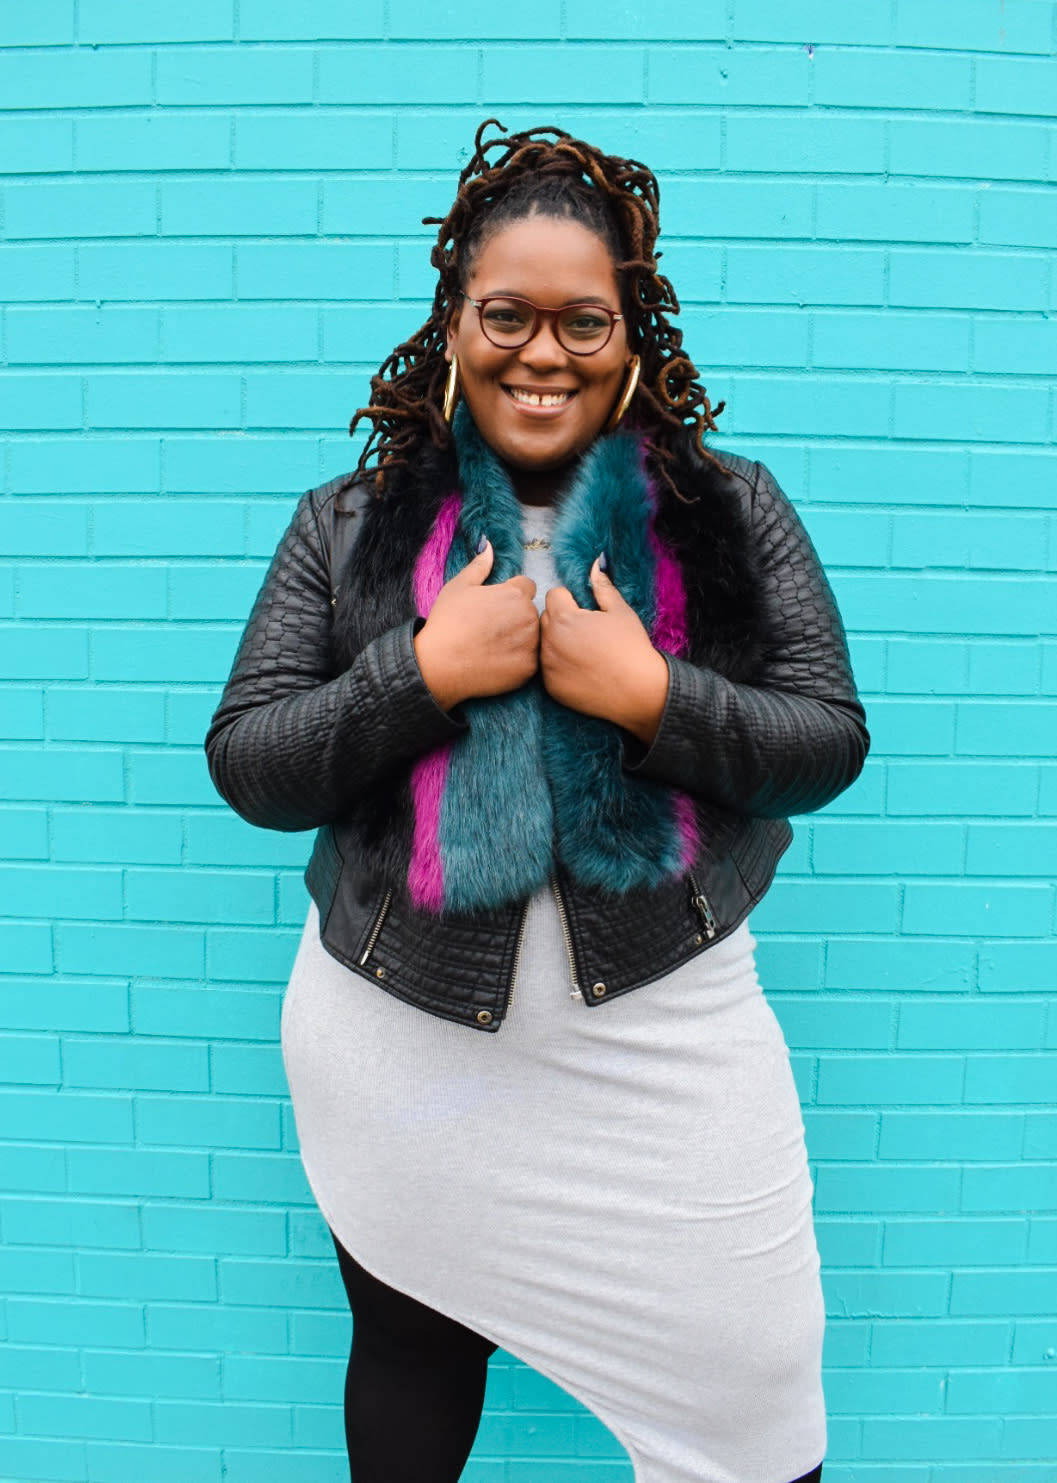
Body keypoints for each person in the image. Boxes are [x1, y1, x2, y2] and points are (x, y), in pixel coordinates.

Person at [205, 119, 869, 1483]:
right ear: (453, 323)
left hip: (666, 1035)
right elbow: (251, 761)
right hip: (400, 1039)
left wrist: (650, 697)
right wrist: (421, 673)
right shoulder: (349, 523)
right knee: (412, 1351)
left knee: (757, 1395)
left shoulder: (730, 511)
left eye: (584, 320)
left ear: (634, 335)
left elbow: (824, 741)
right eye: (507, 314)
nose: (543, 352)